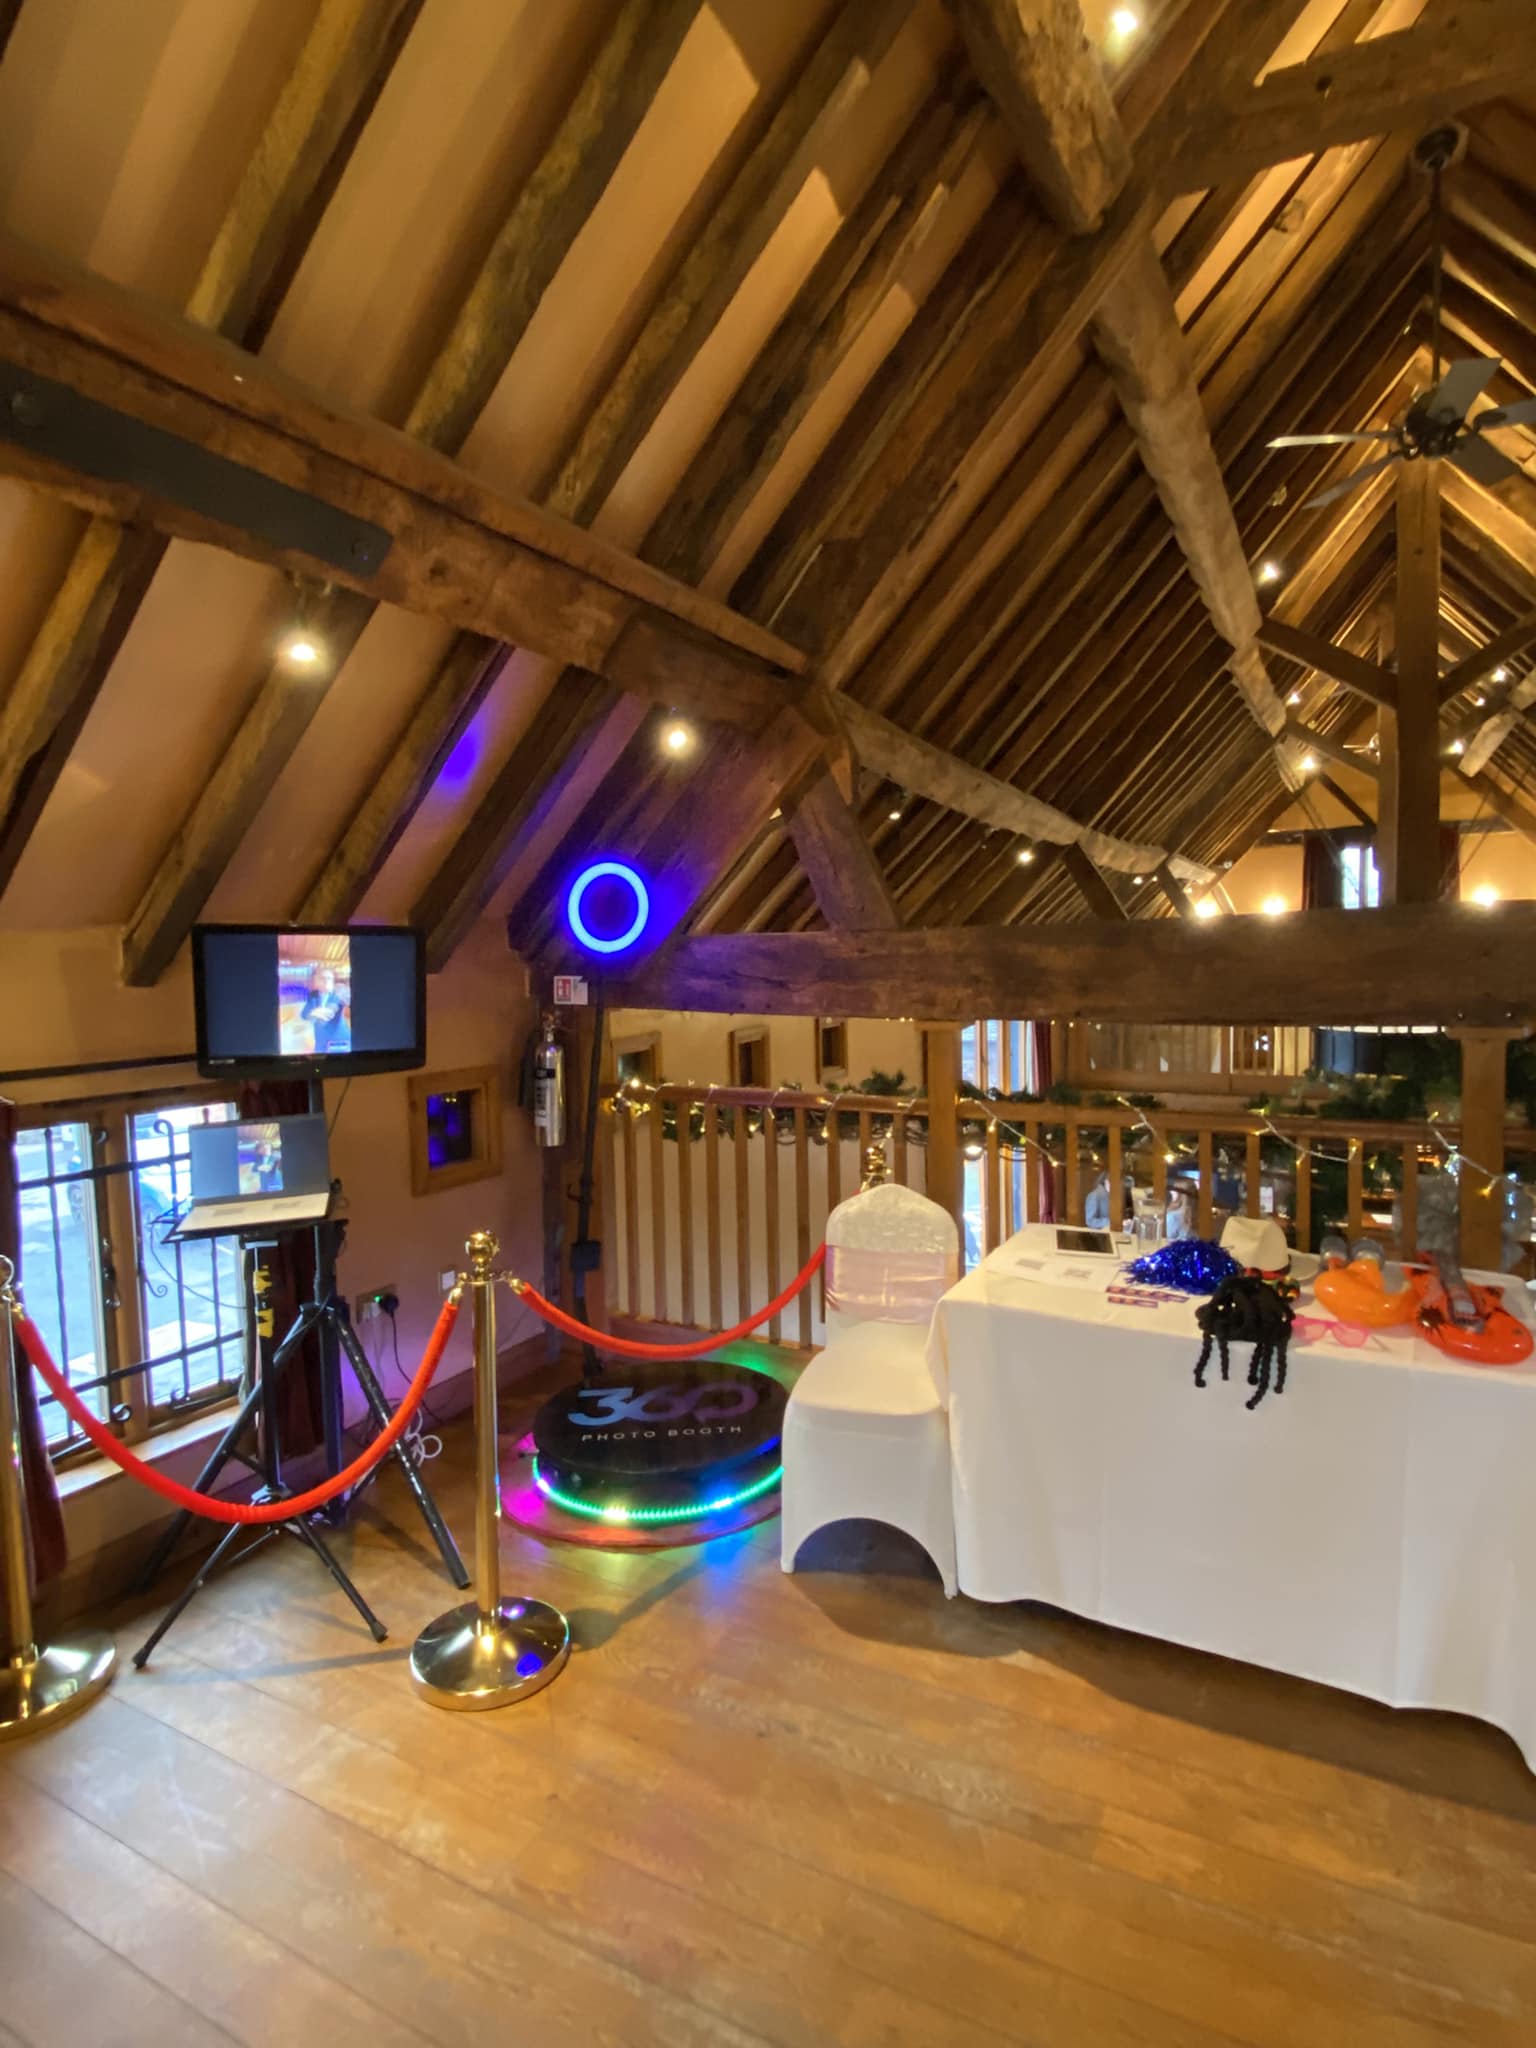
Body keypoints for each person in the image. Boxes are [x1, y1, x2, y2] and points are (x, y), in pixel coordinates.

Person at [300, 965, 347, 1055]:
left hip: (338, 1039)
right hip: (320, 1040)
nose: (326, 981)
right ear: (316, 981)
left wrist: (317, 1013)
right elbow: (304, 1014)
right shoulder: (312, 995)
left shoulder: (339, 994)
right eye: (322, 978)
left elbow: (329, 1013)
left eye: (329, 978)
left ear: (333, 981)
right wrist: (313, 1012)